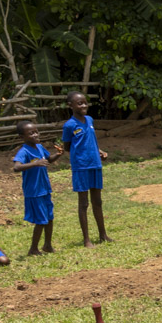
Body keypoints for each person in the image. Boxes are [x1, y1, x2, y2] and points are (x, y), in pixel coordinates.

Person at [58, 91, 110, 247]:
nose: (83, 105)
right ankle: (86, 239)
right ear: (70, 105)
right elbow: (67, 146)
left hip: (95, 164)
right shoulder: (69, 125)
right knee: (83, 204)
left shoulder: (89, 120)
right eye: (79, 103)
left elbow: (91, 140)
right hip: (81, 166)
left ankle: (103, 235)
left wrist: (99, 152)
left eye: (85, 102)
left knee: (98, 201)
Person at [12, 120, 56, 256]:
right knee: (41, 220)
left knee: (49, 218)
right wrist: (35, 164)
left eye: (36, 132)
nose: (35, 135)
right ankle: (33, 249)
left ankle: (47, 245)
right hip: (34, 191)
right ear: (22, 137)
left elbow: (48, 160)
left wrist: (58, 155)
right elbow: (16, 167)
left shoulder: (40, 147)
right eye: (31, 133)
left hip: (45, 189)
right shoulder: (24, 151)